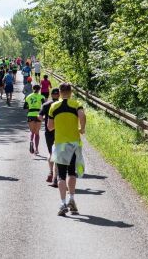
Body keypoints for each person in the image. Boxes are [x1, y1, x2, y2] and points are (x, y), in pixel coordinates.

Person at [47, 83, 86, 217]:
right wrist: (82, 127)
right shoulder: (76, 104)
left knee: (61, 175)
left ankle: (63, 203)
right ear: (71, 92)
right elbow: (82, 115)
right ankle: (72, 199)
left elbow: (50, 127)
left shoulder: (54, 106)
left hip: (61, 144)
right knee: (72, 172)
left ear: (60, 92)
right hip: (74, 143)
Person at [38, 88, 60, 187]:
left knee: (51, 153)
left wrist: (45, 121)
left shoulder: (46, 105)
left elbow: (39, 116)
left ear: (51, 94)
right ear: (59, 94)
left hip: (49, 131)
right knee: (59, 153)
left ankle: (51, 172)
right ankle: (57, 175)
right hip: (60, 132)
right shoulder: (61, 104)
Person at [24, 84, 45, 155]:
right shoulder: (41, 96)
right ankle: (36, 149)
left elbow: (25, 107)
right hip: (38, 115)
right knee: (37, 133)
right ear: (39, 89)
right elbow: (44, 106)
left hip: (30, 115)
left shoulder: (28, 97)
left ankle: (31, 141)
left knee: (32, 132)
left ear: (33, 89)